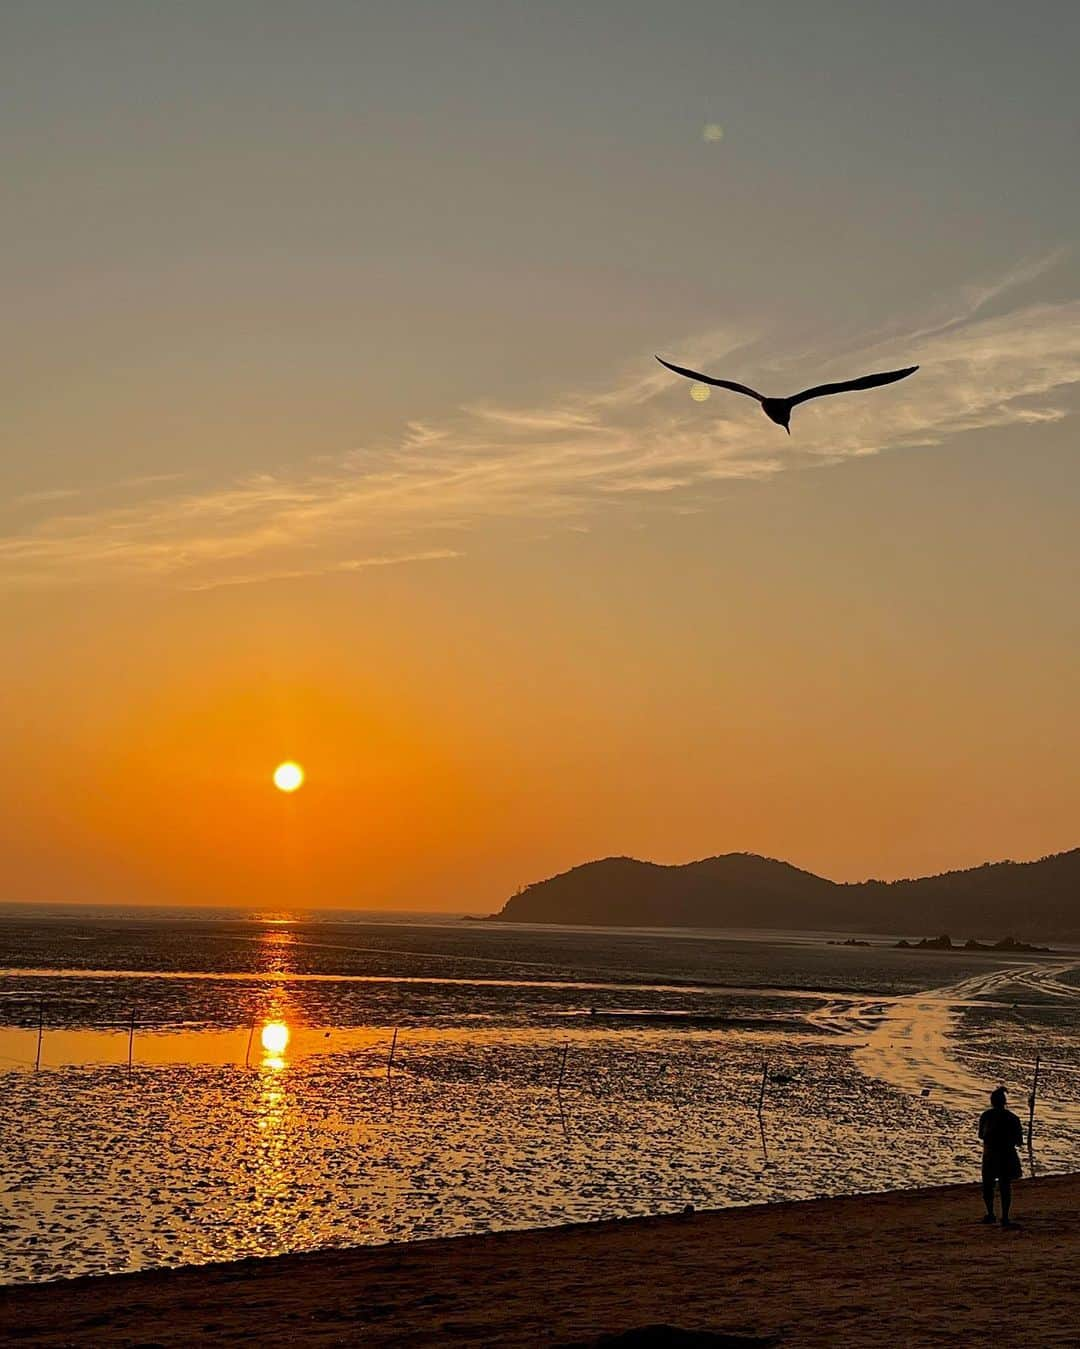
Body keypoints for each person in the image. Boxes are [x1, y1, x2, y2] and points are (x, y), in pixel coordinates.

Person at [978, 1086, 1023, 1226]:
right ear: (1005, 1102)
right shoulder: (1013, 1118)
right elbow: (1019, 1141)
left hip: (990, 1156)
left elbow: (981, 1135)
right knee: (1004, 1186)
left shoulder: (985, 1116)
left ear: (992, 1102)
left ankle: (991, 1214)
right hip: (1006, 1156)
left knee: (988, 1186)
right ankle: (1004, 1216)